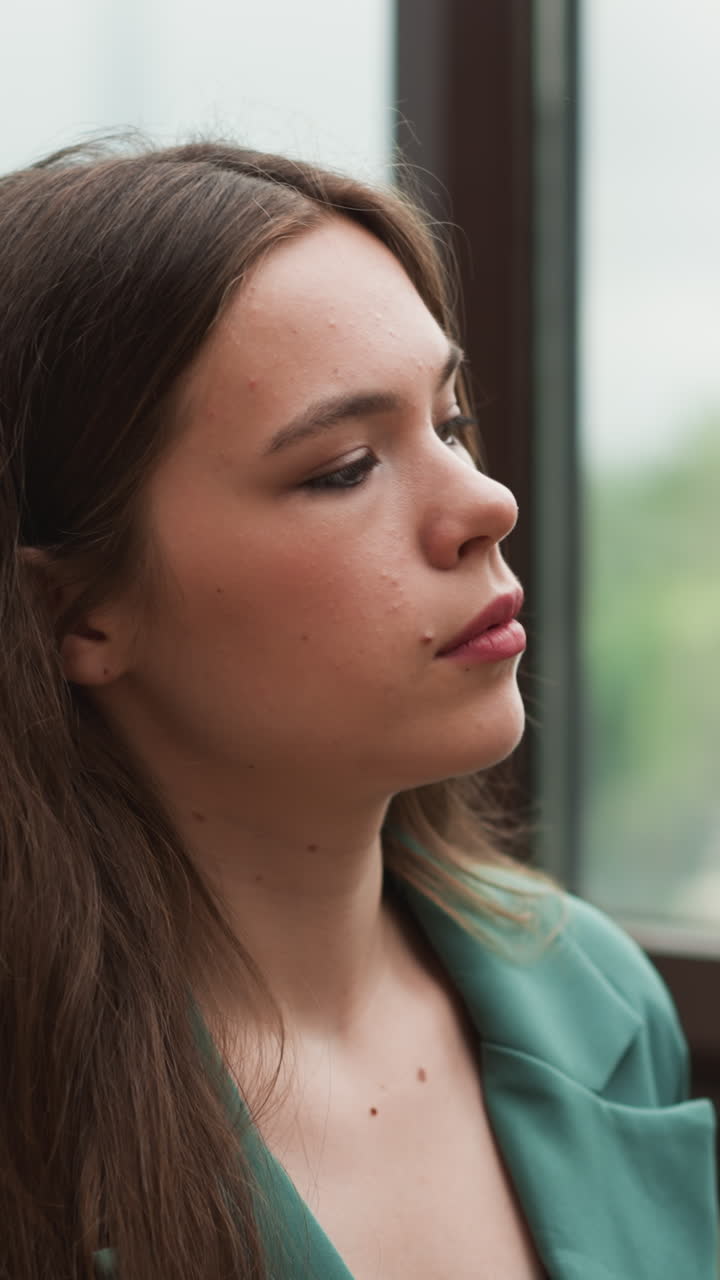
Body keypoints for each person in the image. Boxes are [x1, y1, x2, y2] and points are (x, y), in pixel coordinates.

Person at [0, 138, 716, 1280]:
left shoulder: (595, 998)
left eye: (451, 422)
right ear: (76, 615)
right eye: (343, 467)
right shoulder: (34, 1134)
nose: (485, 501)